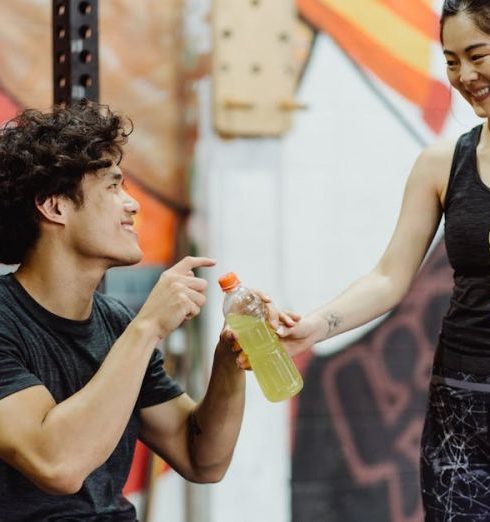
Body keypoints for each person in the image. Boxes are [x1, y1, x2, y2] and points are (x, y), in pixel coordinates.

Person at [0, 100, 294, 522]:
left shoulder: (116, 323)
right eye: (112, 186)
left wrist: (230, 358)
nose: (132, 205)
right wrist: (150, 325)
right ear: (55, 207)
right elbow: (57, 464)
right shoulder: (9, 320)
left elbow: (202, 460)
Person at [271, 0, 490, 519]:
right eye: (451, 60)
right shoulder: (442, 163)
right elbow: (390, 277)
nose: (464, 76)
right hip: (462, 411)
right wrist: (316, 326)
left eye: (477, 55)